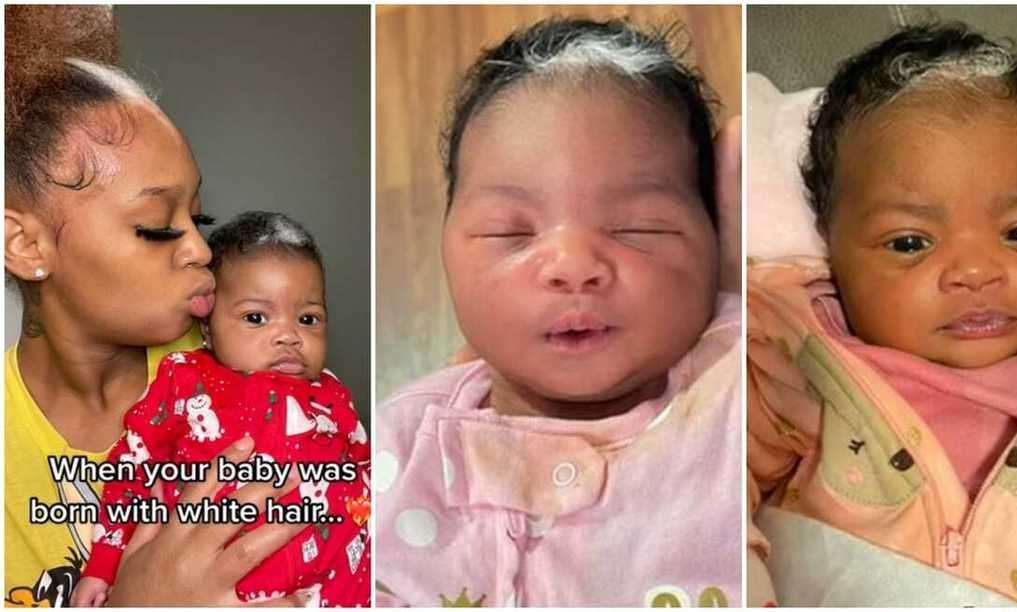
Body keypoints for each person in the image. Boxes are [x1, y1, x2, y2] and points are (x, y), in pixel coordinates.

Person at [376, 18, 742, 606]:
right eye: (510, 232)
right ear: (445, 250)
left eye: (639, 227)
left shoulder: (737, 386)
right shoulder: (397, 444)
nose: (573, 264)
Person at [747, 23, 1017, 606]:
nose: (974, 272)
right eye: (911, 243)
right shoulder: (794, 361)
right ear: (831, 247)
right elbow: (704, 487)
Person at [4, 7, 309, 606]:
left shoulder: (247, 372)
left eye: (199, 219)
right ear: (26, 245)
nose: (200, 248)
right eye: (155, 226)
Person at [70, 212, 370, 607]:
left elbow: (366, 470)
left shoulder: (332, 395)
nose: (289, 335)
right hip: (221, 589)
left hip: (344, 586)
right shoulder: (188, 382)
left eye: (308, 318)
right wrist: (102, 567)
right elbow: (134, 467)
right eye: (256, 318)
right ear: (209, 328)